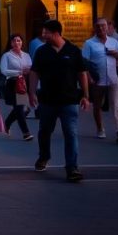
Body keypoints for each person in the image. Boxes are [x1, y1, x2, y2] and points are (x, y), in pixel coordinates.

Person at [29, 20, 91, 181]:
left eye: (46, 33)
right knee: (44, 131)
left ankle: (72, 167)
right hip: (47, 100)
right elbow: (34, 72)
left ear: (56, 33)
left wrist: (85, 95)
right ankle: (44, 156)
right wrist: (32, 92)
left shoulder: (73, 50)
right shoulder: (42, 51)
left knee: (70, 133)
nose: (43, 35)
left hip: (69, 100)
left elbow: (82, 73)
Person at [81, 18, 118, 140]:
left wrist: (116, 55)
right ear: (95, 28)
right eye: (98, 26)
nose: (101, 28)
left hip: (113, 79)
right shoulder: (89, 43)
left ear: (108, 27)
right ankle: (100, 129)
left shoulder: (114, 42)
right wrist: (90, 78)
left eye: (103, 26)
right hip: (98, 80)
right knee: (97, 105)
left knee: (116, 105)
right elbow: (84, 63)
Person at [0, 33, 33, 141]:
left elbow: (30, 67)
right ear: (10, 43)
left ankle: (6, 123)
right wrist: (19, 72)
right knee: (19, 108)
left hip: (23, 84)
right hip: (12, 84)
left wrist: (28, 71)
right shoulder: (7, 55)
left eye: (19, 40)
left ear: (22, 42)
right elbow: (4, 70)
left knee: (22, 108)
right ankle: (26, 133)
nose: (16, 43)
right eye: (14, 41)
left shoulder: (26, 55)